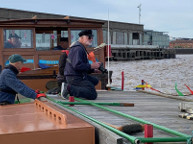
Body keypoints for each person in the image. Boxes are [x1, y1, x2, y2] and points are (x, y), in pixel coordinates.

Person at [62, 30, 101, 100]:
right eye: (89, 37)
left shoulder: (81, 47)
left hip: (78, 75)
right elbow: (77, 66)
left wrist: (93, 69)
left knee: (95, 81)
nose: (91, 39)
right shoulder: (78, 49)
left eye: (92, 37)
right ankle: (69, 88)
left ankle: (76, 90)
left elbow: (81, 66)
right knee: (92, 94)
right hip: (74, 77)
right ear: (82, 38)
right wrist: (91, 66)